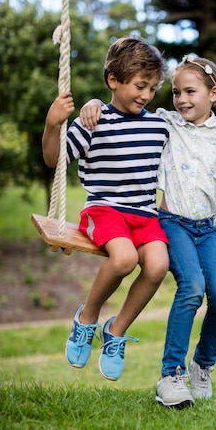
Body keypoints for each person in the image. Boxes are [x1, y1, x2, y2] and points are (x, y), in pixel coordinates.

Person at [80, 54, 216, 406]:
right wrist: (94, 102)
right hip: (171, 222)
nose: (182, 100)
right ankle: (171, 375)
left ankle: (202, 364)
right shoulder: (165, 123)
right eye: (175, 93)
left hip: (207, 228)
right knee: (192, 287)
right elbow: (123, 111)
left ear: (214, 93)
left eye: (190, 92)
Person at [42, 36, 170, 381]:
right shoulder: (93, 121)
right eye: (140, 86)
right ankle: (87, 318)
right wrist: (54, 124)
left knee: (158, 265)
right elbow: (55, 160)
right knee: (125, 259)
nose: (146, 95)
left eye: (153, 88)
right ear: (114, 80)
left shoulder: (159, 126)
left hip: (144, 215)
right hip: (105, 211)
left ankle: (116, 330)